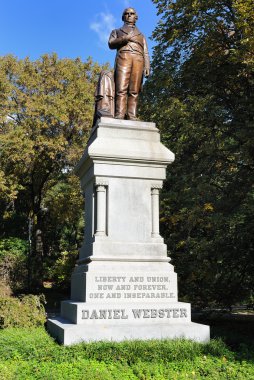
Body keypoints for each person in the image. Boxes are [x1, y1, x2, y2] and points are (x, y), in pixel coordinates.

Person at [108, 7, 150, 120]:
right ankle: (120, 114)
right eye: (126, 13)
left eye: (132, 13)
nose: (129, 15)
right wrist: (125, 38)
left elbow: (145, 51)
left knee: (134, 90)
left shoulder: (141, 35)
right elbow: (111, 43)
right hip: (124, 57)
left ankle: (132, 115)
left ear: (136, 17)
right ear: (123, 17)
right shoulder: (116, 31)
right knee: (121, 88)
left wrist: (147, 66)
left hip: (138, 60)